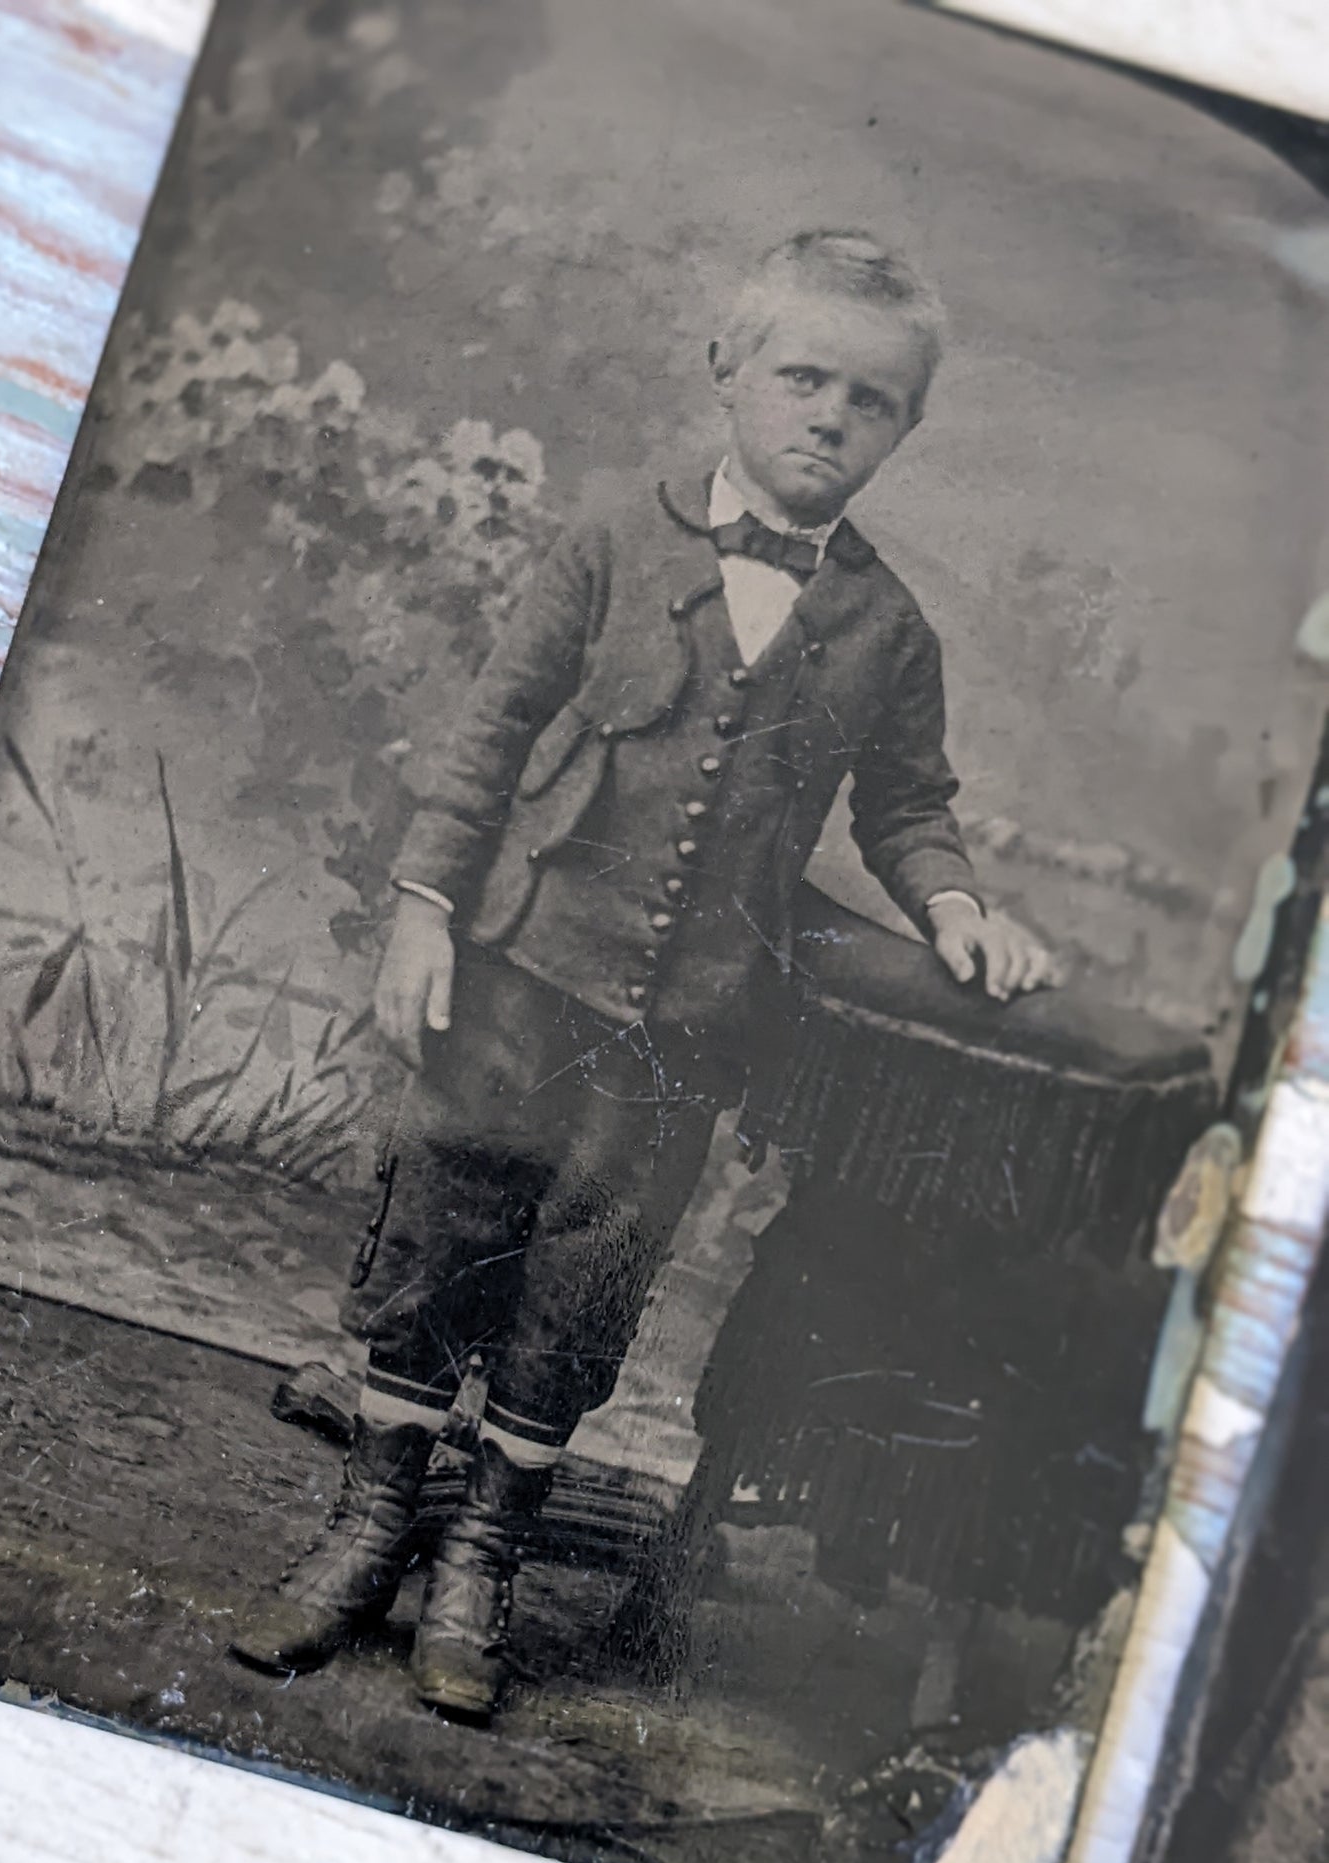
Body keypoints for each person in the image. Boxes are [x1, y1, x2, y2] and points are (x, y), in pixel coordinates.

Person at [230, 229, 1057, 1717]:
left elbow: (906, 807)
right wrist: (422, 914)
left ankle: (480, 1559)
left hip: (682, 1036)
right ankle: (362, 1534)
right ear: (728, 371)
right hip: (512, 978)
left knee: (580, 1291)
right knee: (439, 1246)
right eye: (802, 377)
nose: (828, 418)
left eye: (869, 402)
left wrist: (954, 907)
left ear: (905, 429)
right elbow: (489, 735)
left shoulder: (884, 630)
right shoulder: (613, 540)